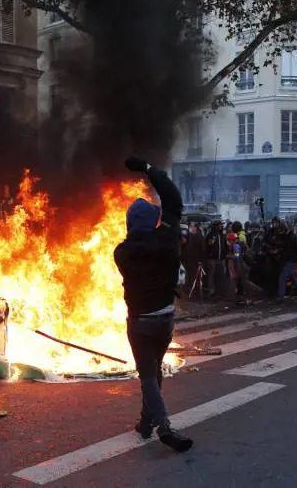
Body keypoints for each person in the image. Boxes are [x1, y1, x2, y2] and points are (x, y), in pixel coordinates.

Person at [114, 156, 192, 452]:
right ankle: (146, 421)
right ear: (155, 222)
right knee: (154, 369)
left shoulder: (121, 252)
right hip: (165, 320)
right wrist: (148, 169)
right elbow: (173, 199)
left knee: (147, 375)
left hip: (139, 322)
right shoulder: (167, 239)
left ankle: (163, 426)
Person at [204, 220, 228, 299]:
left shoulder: (222, 235)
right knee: (211, 275)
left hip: (221, 259)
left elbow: (225, 245)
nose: (221, 226)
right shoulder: (210, 235)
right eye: (219, 225)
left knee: (221, 274)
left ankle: (220, 291)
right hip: (212, 259)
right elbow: (208, 245)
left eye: (221, 225)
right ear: (215, 226)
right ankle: (211, 290)